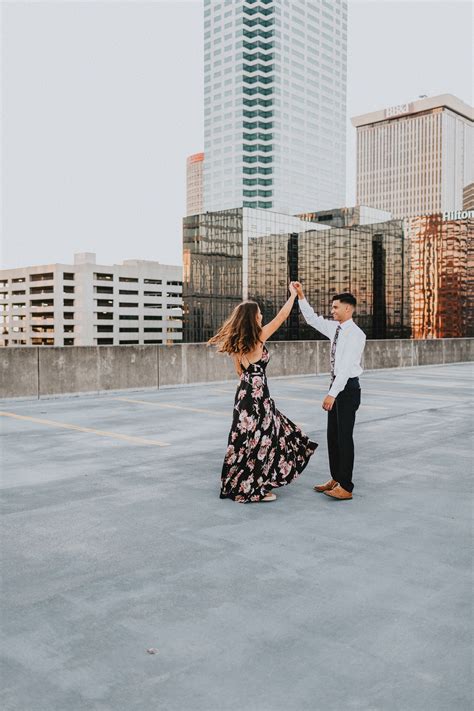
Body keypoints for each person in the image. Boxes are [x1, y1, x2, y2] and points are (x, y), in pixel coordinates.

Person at [208, 284, 317, 503]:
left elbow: (239, 372)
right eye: (259, 313)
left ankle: (240, 483)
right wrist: (293, 295)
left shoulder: (237, 343)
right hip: (258, 398)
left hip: (244, 396)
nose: (261, 316)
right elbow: (281, 317)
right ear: (252, 318)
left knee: (246, 440)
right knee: (263, 440)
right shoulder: (259, 337)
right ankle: (254, 489)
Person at [292, 282, 366, 501]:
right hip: (337, 386)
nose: (332, 311)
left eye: (335, 307)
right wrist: (301, 296)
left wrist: (332, 393)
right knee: (332, 437)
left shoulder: (356, 334)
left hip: (347, 388)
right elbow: (312, 319)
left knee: (344, 438)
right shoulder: (335, 329)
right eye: (332, 307)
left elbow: (344, 369)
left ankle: (346, 486)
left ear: (348, 309)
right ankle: (336, 478)